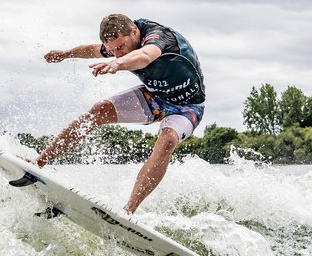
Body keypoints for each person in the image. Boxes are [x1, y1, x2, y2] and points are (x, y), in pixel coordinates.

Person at [36, 14, 205, 214]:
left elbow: (145, 56)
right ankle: (39, 163)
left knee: (167, 139)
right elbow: (92, 50)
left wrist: (118, 64)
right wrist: (65, 54)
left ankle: (128, 211)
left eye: (120, 48)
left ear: (134, 32)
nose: (116, 54)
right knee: (99, 110)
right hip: (154, 97)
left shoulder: (160, 37)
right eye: (112, 51)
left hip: (187, 106)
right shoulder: (120, 40)